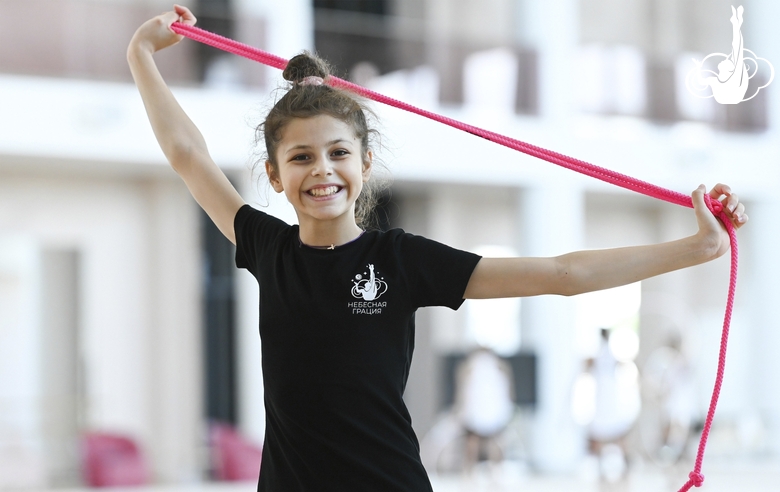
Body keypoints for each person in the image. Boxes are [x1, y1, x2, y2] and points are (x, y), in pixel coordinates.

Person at [127, 5, 748, 491]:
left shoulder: (401, 260)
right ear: (274, 172)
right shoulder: (268, 248)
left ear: (365, 163)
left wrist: (695, 248)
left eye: (339, 152)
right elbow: (187, 154)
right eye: (302, 157)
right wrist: (141, 55)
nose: (323, 170)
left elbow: (563, 272)